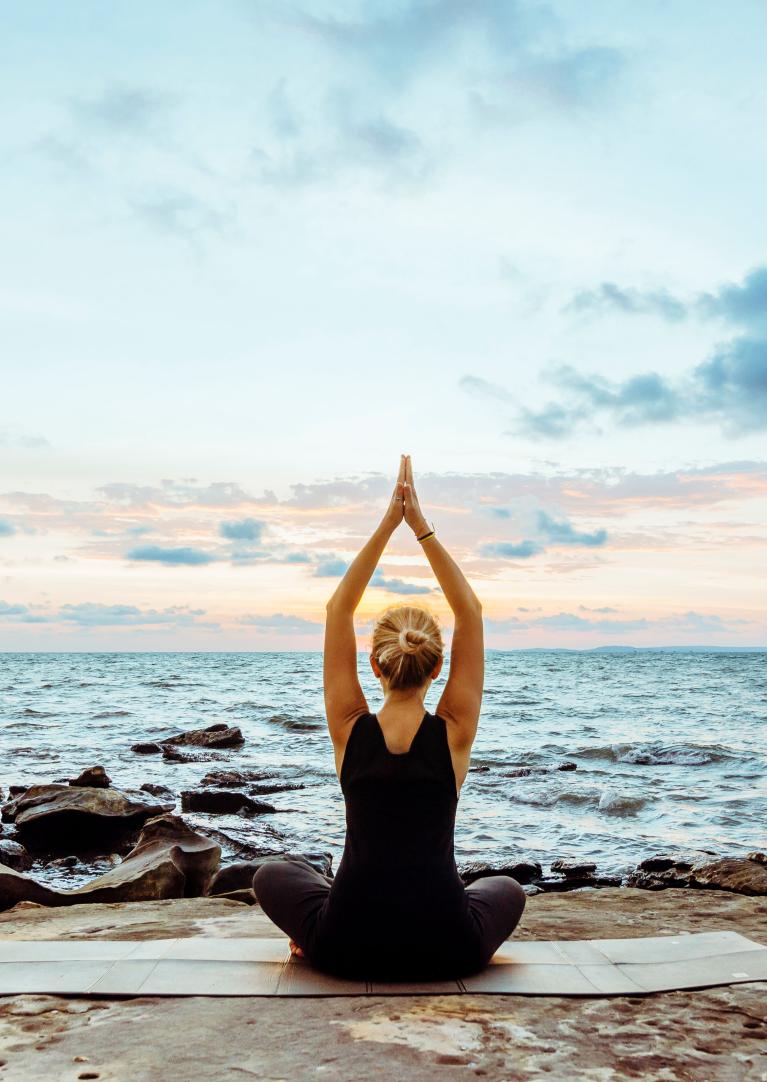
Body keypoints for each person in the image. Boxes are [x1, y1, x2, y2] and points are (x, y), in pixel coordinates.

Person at [253, 454, 526, 981]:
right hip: (447, 945)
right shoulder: (454, 732)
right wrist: (419, 526)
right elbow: (470, 610)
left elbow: (338, 610)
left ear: (374, 664)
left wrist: (388, 522)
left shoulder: (349, 727)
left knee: (271, 874)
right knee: (506, 889)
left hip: (346, 945)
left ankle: (309, 941)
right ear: (438, 666)